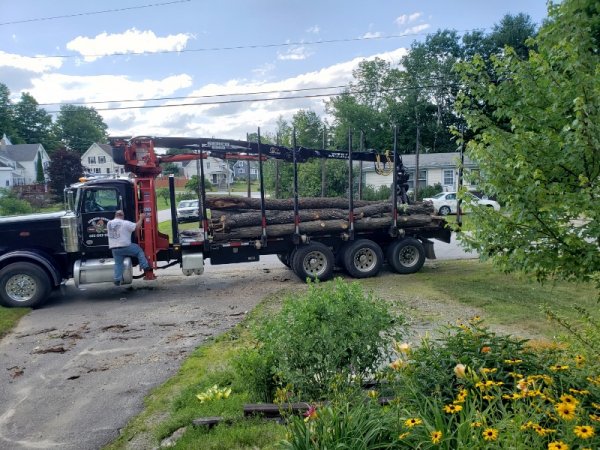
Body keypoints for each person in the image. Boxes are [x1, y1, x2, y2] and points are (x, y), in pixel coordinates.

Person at [107, 210, 156, 285]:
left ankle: (117, 279)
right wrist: (141, 218)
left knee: (118, 264)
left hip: (114, 249)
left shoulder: (109, 223)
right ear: (122, 216)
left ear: (115, 215)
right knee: (139, 251)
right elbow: (137, 227)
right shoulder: (125, 223)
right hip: (126, 246)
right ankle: (145, 266)